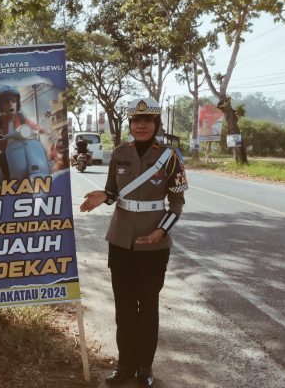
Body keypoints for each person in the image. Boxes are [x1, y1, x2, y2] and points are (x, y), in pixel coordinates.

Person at [80, 97, 188, 387]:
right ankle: (125, 364)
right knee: (124, 306)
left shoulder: (170, 157)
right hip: (120, 241)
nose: (141, 125)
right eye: (136, 121)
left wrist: (161, 231)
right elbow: (113, 191)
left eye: (148, 121)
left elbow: (177, 203)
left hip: (153, 244)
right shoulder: (119, 153)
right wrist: (104, 197)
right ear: (130, 124)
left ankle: (144, 367)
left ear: (156, 124)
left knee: (148, 305)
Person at [0, 85, 44, 151]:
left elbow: (34, 126)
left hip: (23, 150)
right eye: (6, 101)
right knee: (1, 156)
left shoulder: (21, 118)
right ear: (0, 105)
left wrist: (41, 130)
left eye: (14, 100)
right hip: (6, 153)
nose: (11, 104)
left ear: (17, 103)